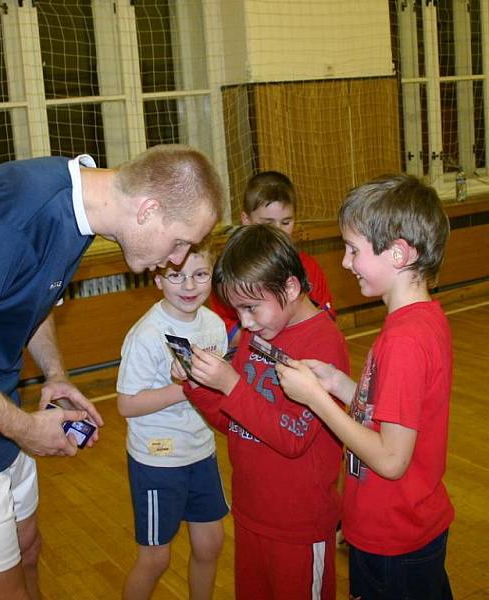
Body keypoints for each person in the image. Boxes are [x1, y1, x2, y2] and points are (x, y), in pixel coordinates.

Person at [0, 144, 223, 600]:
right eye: (179, 242)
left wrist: (55, 374)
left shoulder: (81, 209)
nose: (177, 259)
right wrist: (25, 430)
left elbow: (36, 299)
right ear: (149, 209)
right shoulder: (15, 217)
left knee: (27, 547)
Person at [277, 174, 454, 600]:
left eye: (354, 249)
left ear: (397, 254)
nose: (344, 262)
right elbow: (398, 414)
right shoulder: (419, 320)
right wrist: (339, 383)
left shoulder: (404, 340)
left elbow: (392, 459)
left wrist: (318, 400)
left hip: (395, 536)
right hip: (399, 527)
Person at [173, 224, 349, 600]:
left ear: (289, 288)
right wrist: (198, 387)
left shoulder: (323, 343)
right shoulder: (259, 333)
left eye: (250, 308)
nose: (245, 322)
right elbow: (235, 423)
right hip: (252, 514)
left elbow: (292, 437)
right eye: (237, 310)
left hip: (300, 525)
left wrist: (230, 384)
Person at [116, 241, 229, 600]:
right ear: (158, 279)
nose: (189, 286)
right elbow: (126, 404)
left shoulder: (213, 325)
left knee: (210, 544)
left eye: (200, 275)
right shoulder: (147, 335)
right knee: (155, 558)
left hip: (201, 452)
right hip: (157, 459)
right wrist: (188, 388)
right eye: (176, 276)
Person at [211, 171, 335, 348]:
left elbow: (326, 322)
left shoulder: (309, 267)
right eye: (268, 223)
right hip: (250, 360)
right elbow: (224, 331)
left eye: (286, 222)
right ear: (246, 220)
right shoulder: (231, 270)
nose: (278, 231)